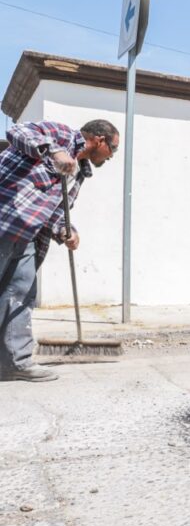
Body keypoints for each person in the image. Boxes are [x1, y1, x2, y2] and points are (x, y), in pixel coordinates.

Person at [0, 120, 120, 382]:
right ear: (99, 140)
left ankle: (13, 363)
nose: (111, 157)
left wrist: (67, 230)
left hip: (29, 236)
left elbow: (58, 212)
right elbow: (18, 131)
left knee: (20, 296)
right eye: (113, 149)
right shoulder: (62, 135)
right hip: (4, 220)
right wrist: (54, 151)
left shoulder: (80, 173)